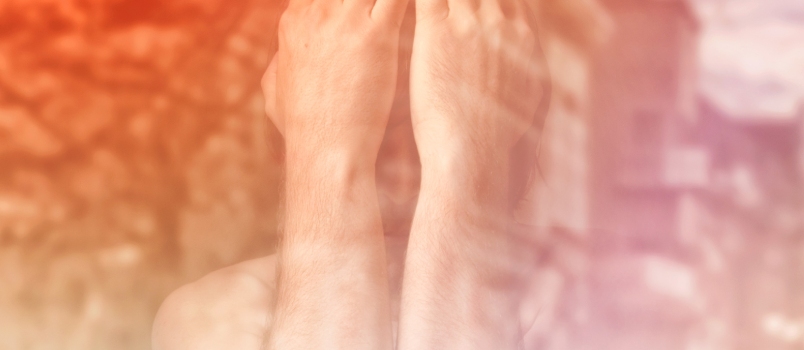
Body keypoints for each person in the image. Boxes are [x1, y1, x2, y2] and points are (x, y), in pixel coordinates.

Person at [151, 0, 549, 348]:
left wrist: (467, 158)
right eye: (374, 144)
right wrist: (323, 144)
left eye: (424, 145)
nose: (403, 189)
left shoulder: (576, 303)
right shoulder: (206, 314)